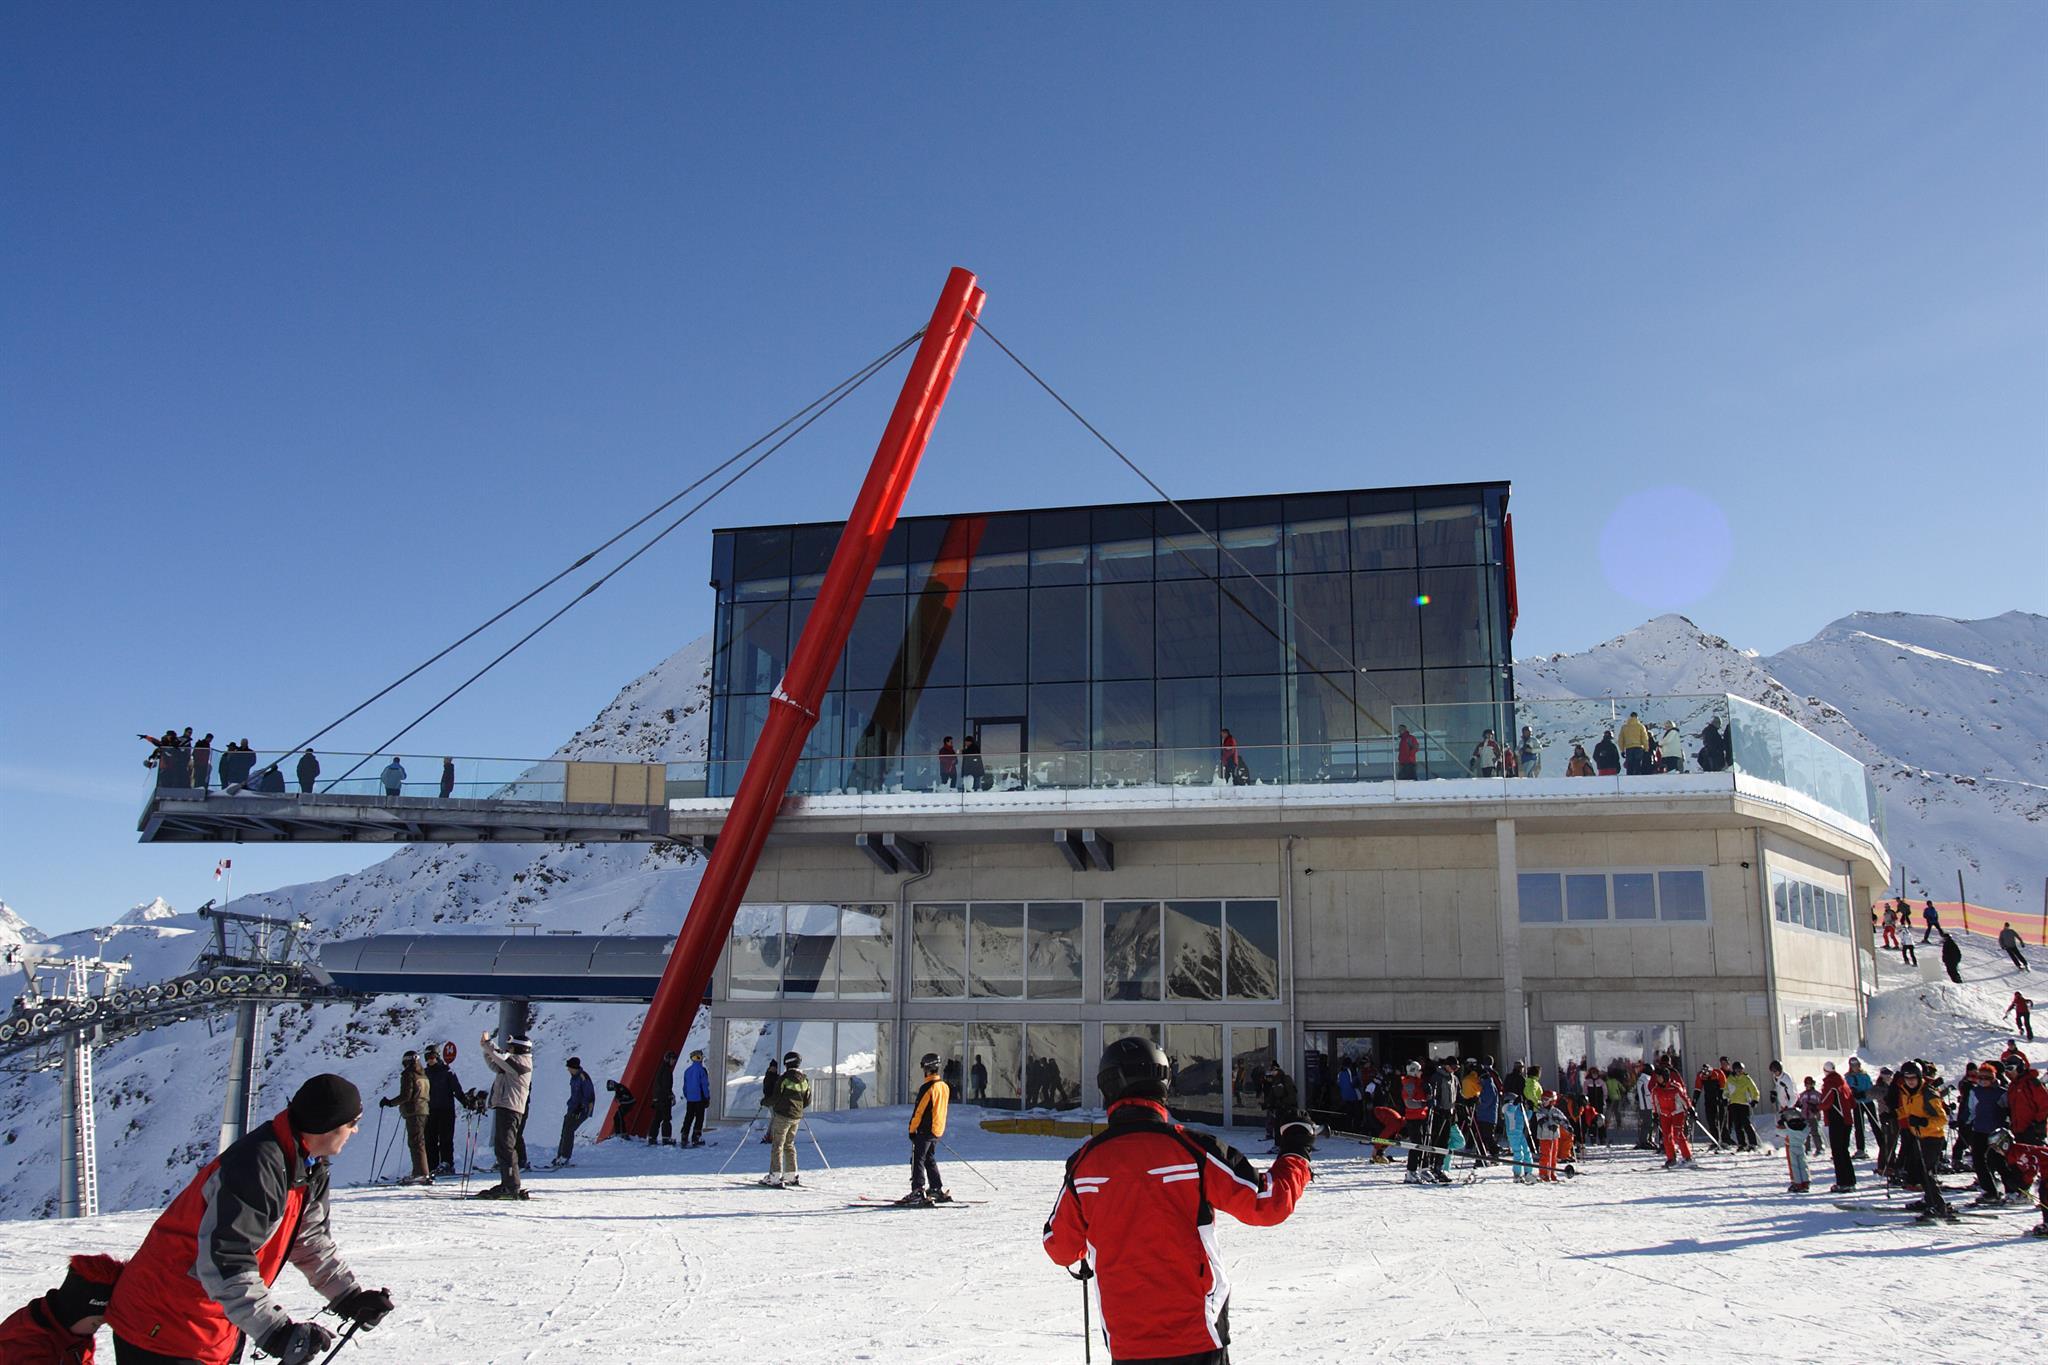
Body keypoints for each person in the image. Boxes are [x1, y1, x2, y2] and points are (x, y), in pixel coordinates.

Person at [1043, 1037, 1311, 1364]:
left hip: (1129, 1343)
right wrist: (1296, 1149)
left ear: (1107, 1086)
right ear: (1163, 1082)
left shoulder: (1084, 1163)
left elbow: (1059, 1246)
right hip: (1197, 1336)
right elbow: (1268, 1203)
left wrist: (1085, 1244)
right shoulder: (1193, 1149)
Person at [106, 1074, 393, 1365]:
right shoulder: (257, 1167)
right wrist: (275, 1331)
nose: (355, 1130)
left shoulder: (306, 1165)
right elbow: (226, 1259)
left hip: (209, 1322)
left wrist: (348, 1297)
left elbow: (308, 1240)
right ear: (328, 1125)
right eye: (352, 1123)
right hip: (163, 1323)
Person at [0, 1253, 123, 1364]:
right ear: (74, 1313)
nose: (95, 1330)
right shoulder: (29, 1347)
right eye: (95, 1324)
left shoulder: (71, 1335)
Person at [476, 1031, 533, 1201]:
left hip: (511, 1108)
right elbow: (495, 1064)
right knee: (502, 1146)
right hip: (506, 1107)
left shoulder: (521, 1063)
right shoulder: (514, 1064)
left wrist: (488, 1044)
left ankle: (511, 1185)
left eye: (511, 1047)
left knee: (506, 1147)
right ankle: (508, 1183)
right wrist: (486, 1049)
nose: (509, 1049)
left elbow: (501, 1057)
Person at [1895, 1061, 1954, 1219]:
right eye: (1907, 1078)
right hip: (1920, 1136)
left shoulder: (1928, 1093)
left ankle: (1938, 1206)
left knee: (1925, 1172)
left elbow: (1942, 1119)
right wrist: (1895, 1115)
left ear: (1919, 1076)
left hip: (1933, 1137)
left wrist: (1924, 1122)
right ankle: (1929, 1200)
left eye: (1913, 1077)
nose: (1910, 1081)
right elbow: (1908, 1110)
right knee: (1920, 1171)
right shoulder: (1906, 1092)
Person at [901, 1052, 952, 1206]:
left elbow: (919, 1111)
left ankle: (917, 1190)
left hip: (925, 1129)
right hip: (937, 1129)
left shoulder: (928, 1087)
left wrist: (912, 1129)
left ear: (927, 1068)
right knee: (929, 1158)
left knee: (918, 1158)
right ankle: (936, 1188)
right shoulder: (944, 1086)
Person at [377, 1050, 433, 1185]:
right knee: (419, 1141)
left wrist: (390, 1103)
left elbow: (406, 1095)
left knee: (415, 1142)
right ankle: (421, 1172)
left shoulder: (409, 1074)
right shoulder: (423, 1075)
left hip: (414, 1111)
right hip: (423, 1110)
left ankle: (420, 1173)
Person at [1987, 1129, 2048, 1237]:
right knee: (2043, 1191)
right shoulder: (2012, 1154)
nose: (1996, 1151)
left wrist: (2023, 1182)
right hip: (2045, 1170)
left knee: (2045, 1192)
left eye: (1996, 1147)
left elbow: (2033, 1166)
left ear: (2004, 1143)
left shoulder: (2018, 1150)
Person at [763, 1050, 811, 1187]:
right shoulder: (804, 1079)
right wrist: (797, 1108)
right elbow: (807, 1100)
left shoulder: (784, 1078)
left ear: (786, 1063)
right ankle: (791, 1174)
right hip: (796, 1116)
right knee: (789, 1144)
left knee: (777, 1145)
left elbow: (775, 1097)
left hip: (783, 1115)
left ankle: (775, 1176)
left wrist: (764, 1102)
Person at [424, 1044, 465, 1176]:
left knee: (445, 1139)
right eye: (427, 1057)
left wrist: (465, 1102)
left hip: (446, 1110)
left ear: (437, 1056)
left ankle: (447, 1164)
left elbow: (457, 1090)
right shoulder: (425, 1073)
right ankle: (432, 1166)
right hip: (430, 1110)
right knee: (430, 1140)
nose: (430, 1060)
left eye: (432, 1057)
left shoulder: (447, 1071)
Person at [1648, 1063, 1693, 1168]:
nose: (1658, 1079)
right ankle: (1671, 1158)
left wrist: (1690, 1109)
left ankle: (1687, 1156)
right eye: (1657, 1077)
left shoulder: (1675, 1088)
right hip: (1664, 1114)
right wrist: (1655, 1114)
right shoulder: (1656, 1090)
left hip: (1677, 1112)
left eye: (1659, 1077)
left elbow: (1684, 1099)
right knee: (1667, 1136)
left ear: (1665, 1077)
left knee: (1678, 1134)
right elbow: (1655, 1103)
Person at [1820, 1063, 1856, 1192]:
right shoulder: (1843, 1082)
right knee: (1844, 1151)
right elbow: (1852, 1102)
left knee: (1838, 1152)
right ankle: (1850, 1181)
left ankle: (1843, 1182)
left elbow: (1825, 1102)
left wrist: (1816, 1106)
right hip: (1847, 1120)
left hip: (1837, 1120)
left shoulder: (1830, 1083)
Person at [554, 1057, 596, 1166]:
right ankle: (560, 1156)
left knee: (569, 1130)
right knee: (565, 1130)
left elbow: (589, 1094)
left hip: (581, 1110)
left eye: (569, 1067)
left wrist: (581, 1108)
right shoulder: (574, 1077)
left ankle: (565, 1157)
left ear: (574, 1067)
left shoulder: (583, 1077)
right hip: (573, 1108)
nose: (568, 1070)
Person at [1724, 1061, 1761, 1151]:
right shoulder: (1730, 1079)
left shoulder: (1746, 1079)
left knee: (1746, 1124)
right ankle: (1742, 1144)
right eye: (1737, 1070)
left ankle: (1753, 1143)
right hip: (1733, 1104)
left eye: (1741, 1070)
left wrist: (1755, 1100)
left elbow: (1754, 1090)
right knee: (1737, 1125)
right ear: (1734, 1070)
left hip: (1744, 1104)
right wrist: (1725, 1098)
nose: (1739, 1072)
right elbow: (1726, 1090)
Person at [1846, 1056, 1877, 1158]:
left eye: (1856, 1065)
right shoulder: (1849, 1077)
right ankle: (1860, 1149)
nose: (1855, 1067)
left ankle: (1883, 1145)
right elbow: (1848, 1089)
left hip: (1868, 1101)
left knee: (1874, 1123)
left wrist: (1866, 1094)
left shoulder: (1865, 1075)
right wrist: (1853, 1093)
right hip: (1858, 1104)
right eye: (1853, 1066)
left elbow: (1871, 1087)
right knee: (1859, 1126)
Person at [680, 1048, 711, 1147]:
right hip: (700, 1098)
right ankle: (696, 1137)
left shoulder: (687, 1071)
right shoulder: (702, 1070)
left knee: (688, 1117)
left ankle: (684, 1136)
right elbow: (704, 1085)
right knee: (699, 1118)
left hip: (690, 1099)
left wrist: (688, 1096)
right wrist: (707, 1097)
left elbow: (685, 1087)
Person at [646, 1050, 677, 1144]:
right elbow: (666, 1085)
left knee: (657, 1118)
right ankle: (666, 1138)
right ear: (668, 1059)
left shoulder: (661, 1069)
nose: (674, 1061)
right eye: (673, 1059)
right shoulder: (667, 1070)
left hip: (657, 1098)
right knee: (666, 1118)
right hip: (664, 1098)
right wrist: (670, 1095)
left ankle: (652, 1137)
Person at [1617, 711, 1650, 776]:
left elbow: (1620, 740)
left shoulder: (1624, 727)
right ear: (1637, 717)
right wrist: (1646, 749)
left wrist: (1622, 750)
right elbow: (1645, 738)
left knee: (1629, 766)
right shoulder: (1640, 726)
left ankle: (1629, 779)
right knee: (1637, 765)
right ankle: (1637, 778)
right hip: (1638, 748)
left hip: (1629, 748)